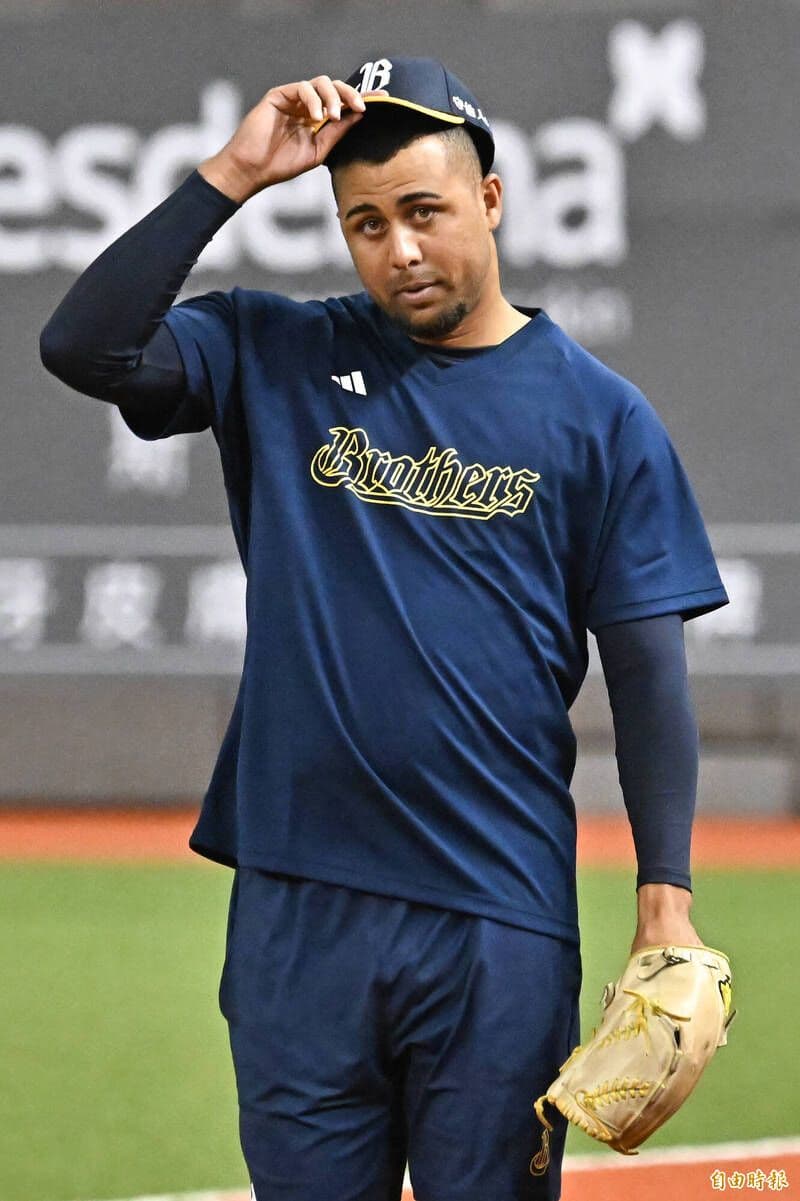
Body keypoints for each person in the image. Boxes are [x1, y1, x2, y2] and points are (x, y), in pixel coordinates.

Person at [39, 55, 728, 1201]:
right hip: (298, 909)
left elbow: (649, 673)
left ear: (490, 201)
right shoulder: (277, 353)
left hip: (493, 919)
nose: (397, 249)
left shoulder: (599, 418)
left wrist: (664, 901)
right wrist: (228, 177)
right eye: (364, 224)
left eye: (423, 212)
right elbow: (84, 348)